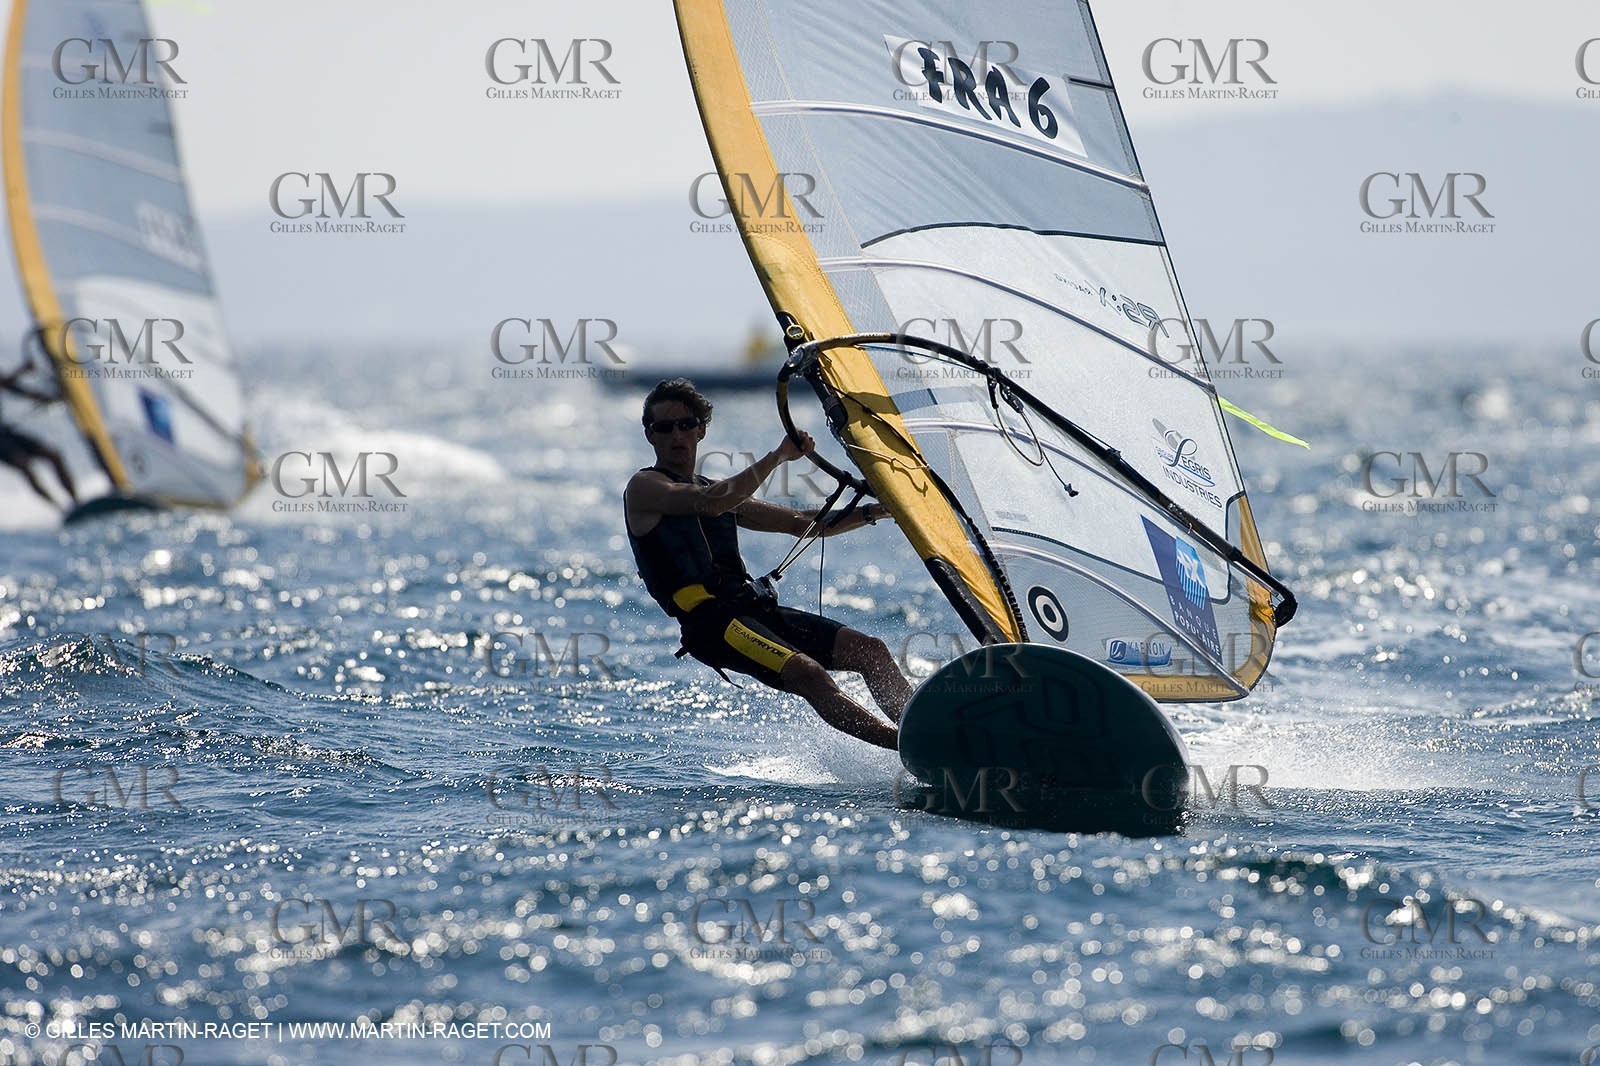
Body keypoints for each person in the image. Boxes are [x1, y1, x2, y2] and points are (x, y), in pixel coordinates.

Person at [623, 378, 909, 750]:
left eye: (686, 424)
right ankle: (907, 746)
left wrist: (878, 511)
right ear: (650, 435)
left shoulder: (719, 491)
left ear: (701, 430)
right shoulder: (645, 488)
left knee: (870, 650)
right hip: (713, 625)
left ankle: (921, 725)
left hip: (753, 610)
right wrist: (778, 456)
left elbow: (802, 524)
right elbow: (709, 502)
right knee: (809, 674)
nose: (677, 434)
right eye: (664, 427)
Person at [0, 348, 79, 510]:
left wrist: (44, 397)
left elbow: (14, 388)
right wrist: (23, 369)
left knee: (53, 455)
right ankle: (58, 508)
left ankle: (77, 503)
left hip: (6, 434)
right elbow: (4, 382)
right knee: (24, 465)